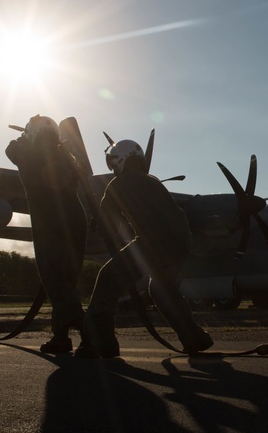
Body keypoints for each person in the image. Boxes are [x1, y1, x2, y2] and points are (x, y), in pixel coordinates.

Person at [77, 138, 213, 358]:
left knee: (107, 280)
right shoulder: (152, 181)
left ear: (121, 160)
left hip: (152, 242)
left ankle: (100, 342)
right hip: (179, 242)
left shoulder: (119, 184)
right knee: (161, 289)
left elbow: (108, 226)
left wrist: (96, 222)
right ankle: (195, 339)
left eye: (113, 164)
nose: (112, 169)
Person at [6, 115, 88, 354]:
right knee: (66, 282)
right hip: (75, 220)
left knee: (54, 280)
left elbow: (11, 149)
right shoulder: (67, 157)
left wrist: (24, 138)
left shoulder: (28, 154)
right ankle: (60, 337)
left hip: (49, 222)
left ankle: (89, 330)